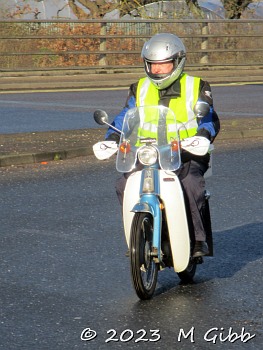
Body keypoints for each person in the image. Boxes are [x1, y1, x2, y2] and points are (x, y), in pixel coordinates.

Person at [105, 33, 220, 257]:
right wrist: (110, 138)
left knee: (191, 184)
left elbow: (209, 118)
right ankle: (137, 236)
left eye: (164, 65)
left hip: (187, 152)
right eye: (153, 65)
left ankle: (197, 240)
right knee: (122, 185)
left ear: (177, 62)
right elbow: (123, 118)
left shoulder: (196, 86)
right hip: (147, 153)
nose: (158, 70)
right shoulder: (138, 88)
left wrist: (203, 135)